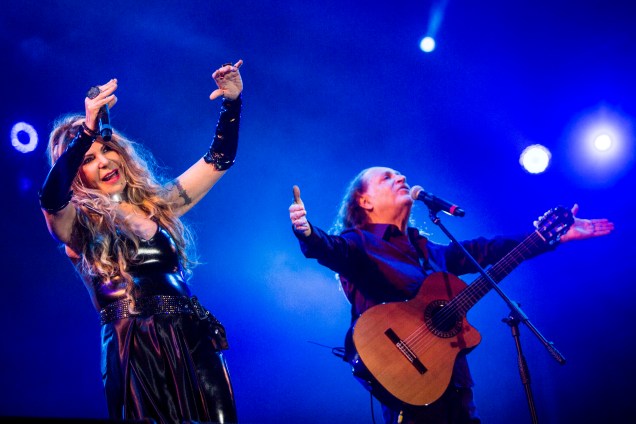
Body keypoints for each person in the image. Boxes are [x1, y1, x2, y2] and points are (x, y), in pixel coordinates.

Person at [289, 166, 614, 424]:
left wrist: (545, 236)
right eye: (386, 177)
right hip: (406, 385)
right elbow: (330, 250)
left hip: (454, 385)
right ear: (364, 201)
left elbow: (486, 249)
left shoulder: (429, 251)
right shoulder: (358, 242)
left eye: (399, 173)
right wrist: (309, 234)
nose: (401, 177)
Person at [39, 60, 244, 424]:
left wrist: (232, 102)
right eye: (89, 159)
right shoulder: (78, 227)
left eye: (107, 149)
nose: (104, 162)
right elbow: (51, 198)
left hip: (191, 338)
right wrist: (87, 130)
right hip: (135, 346)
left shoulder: (159, 207)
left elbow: (218, 160)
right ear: (76, 174)